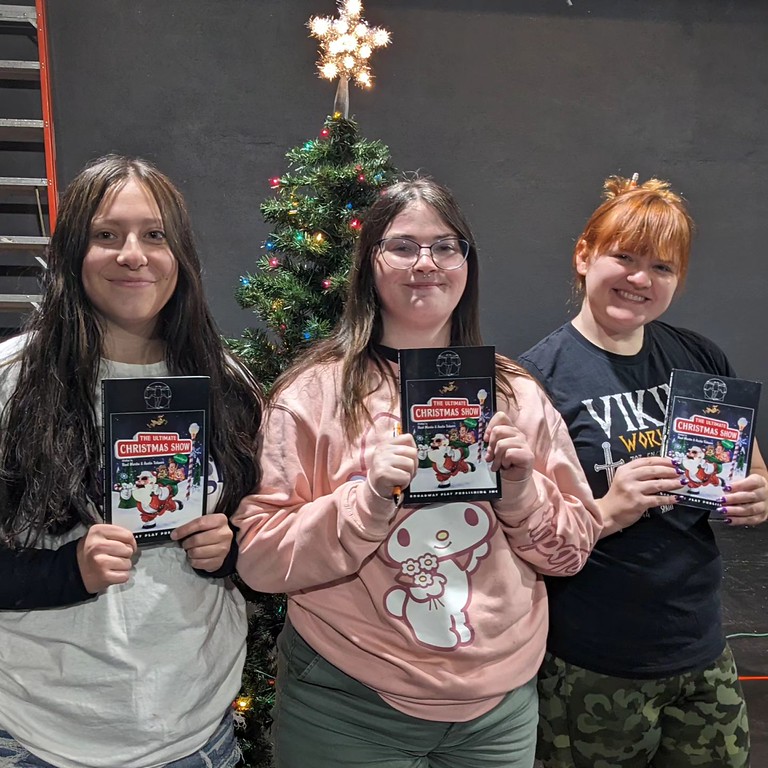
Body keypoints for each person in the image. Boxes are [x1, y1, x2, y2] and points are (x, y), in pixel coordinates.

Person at [233, 178, 602, 768]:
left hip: (497, 711)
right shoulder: (312, 395)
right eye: (402, 246)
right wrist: (370, 499)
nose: (426, 263)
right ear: (369, 263)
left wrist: (522, 493)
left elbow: (571, 553)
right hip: (346, 702)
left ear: (467, 263)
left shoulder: (517, 393)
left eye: (445, 246)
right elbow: (258, 560)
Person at [0, 155, 261, 768]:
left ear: (181, 257)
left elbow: (263, 535)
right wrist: (68, 571)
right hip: (42, 737)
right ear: (72, 252)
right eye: (106, 235)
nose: (132, 255)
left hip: (196, 732)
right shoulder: (12, 382)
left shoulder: (224, 383)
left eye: (154, 235)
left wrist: (231, 551)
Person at [518, 174, 768, 768]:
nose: (640, 279)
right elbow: (524, 534)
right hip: (592, 661)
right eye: (624, 257)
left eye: (662, 267)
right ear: (584, 256)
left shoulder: (699, 358)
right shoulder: (533, 381)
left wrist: (758, 494)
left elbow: (752, 466)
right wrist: (611, 508)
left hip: (701, 647)